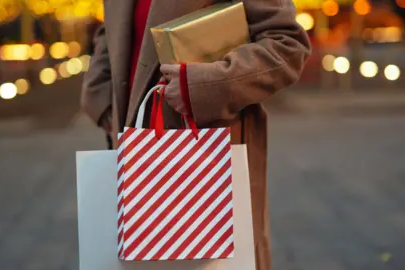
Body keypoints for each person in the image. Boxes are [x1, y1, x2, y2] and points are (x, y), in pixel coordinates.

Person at [81, 0, 311, 269]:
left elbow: (287, 44)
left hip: (208, 165)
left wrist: (204, 86)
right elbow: (111, 32)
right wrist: (100, 95)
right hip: (131, 158)